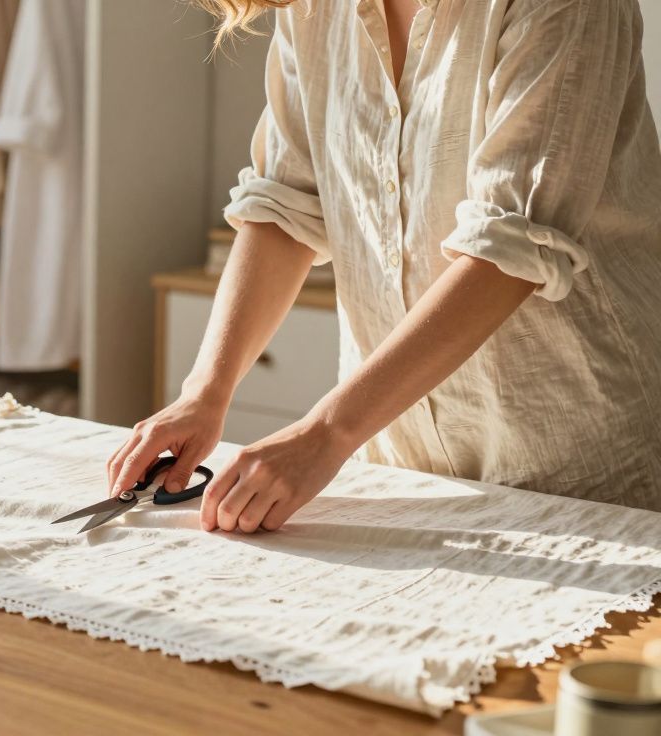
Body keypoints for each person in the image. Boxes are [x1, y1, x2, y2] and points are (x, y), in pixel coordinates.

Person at [108, 0, 661, 533]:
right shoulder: (315, 9)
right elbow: (285, 202)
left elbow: (509, 250)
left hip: (581, 464)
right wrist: (204, 390)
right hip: (399, 459)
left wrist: (324, 432)